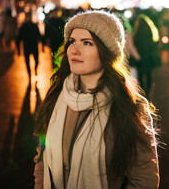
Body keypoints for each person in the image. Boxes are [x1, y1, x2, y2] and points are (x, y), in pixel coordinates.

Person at [33, 10, 160, 188]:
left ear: (106, 52)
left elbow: (144, 179)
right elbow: (42, 156)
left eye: (87, 43)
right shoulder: (56, 95)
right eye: (72, 41)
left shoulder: (131, 106)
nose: (75, 50)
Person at [133, 12, 161, 97]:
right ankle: (148, 92)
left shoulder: (139, 32)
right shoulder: (151, 29)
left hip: (141, 57)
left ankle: (143, 92)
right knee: (149, 74)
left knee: (141, 75)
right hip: (149, 56)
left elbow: (136, 43)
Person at [16, 12, 41, 78]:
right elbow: (18, 38)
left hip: (30, 46)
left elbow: (18, 38)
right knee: (29, 62)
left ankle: (33, 72)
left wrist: (18, 49)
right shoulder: (25, 26)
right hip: (30, 46)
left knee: (33, 61)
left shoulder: (30, 26)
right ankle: (30, 74)